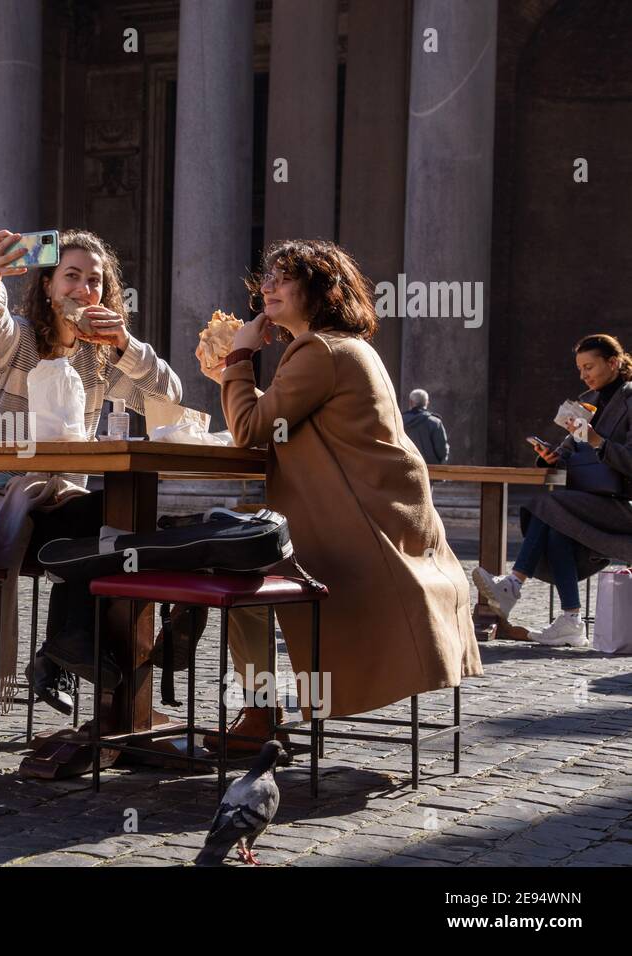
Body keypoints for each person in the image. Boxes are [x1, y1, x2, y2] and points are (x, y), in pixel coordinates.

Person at [197, 238, 482, 749]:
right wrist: (229, 373)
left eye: (285, 278)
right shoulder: (341, 349)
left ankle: (256, 713)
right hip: (384, 531)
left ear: (320, 290)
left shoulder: (318, 349)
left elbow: (250, 428)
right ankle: (251, 708)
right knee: (238, 558)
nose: (269, 286)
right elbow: (278, 418)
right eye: (267, 277)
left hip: (358, 540)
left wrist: (239, 356)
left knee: (232, 567)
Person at [0, 228, 182, 712]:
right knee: (108, 521)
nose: (84, 289)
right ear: (47, 285)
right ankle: (66, 658)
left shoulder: (99, 358)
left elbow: (167, 397)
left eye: (95, 281)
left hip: (64, 504)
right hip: (9, 501)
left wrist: (124, 343)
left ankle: (69, 657)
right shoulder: (20, 340)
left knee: (117, 519)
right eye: (71, 277)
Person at [473, 334, 632, 646]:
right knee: (556, 528)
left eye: (589, 367)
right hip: (589, 499)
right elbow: (568, 452)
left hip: (622, 506)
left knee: (545, 506)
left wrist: (598, 441)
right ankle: (571, 620)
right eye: (580, 369)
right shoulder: (589, 402)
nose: (584, 375)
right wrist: (550, 456)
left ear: (613, 363)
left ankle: (513, 584)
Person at [403, 388, 450, 464]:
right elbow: (442, 451)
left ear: (410, 402)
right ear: (427, 403)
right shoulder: (435, 422)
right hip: (430, 470)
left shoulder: (399, 421)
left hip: (405, 467)